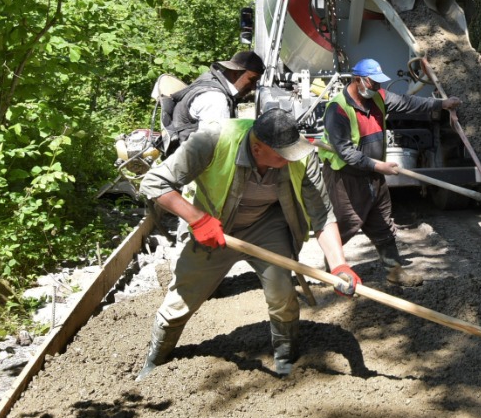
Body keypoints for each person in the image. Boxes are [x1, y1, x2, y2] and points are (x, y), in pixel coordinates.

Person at [136, 108, 362, 379]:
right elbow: (154, 182)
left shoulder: (301, 155)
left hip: (267, 226)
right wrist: (196, 219)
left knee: (282, 294)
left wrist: (339, 266)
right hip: (213, 226)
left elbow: (322, 214)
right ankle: (155, 360)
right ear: (257, 148)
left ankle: (285, 358)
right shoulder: (213, 139)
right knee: (181, 299)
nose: (291, 160)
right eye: (282, 155)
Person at [318, 58, 459, 286]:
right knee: (346, 224)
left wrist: (441, 105)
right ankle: (332, 272)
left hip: (373, 175)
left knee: (383, 222)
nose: (376, 88)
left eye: (377, 84)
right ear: (358, 80)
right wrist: (378, 165)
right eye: (372, 83)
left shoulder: (378, 97)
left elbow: (407, 102)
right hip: (346, 177)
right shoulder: (338, 109)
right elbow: (344, 152)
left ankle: (394, 271)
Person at [162, 50, 264, 152]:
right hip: (193, 164)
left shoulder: (210, 78)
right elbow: (216, 148)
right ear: (235, 73)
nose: (253, 87)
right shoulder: (215, 99)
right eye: (252, 80)